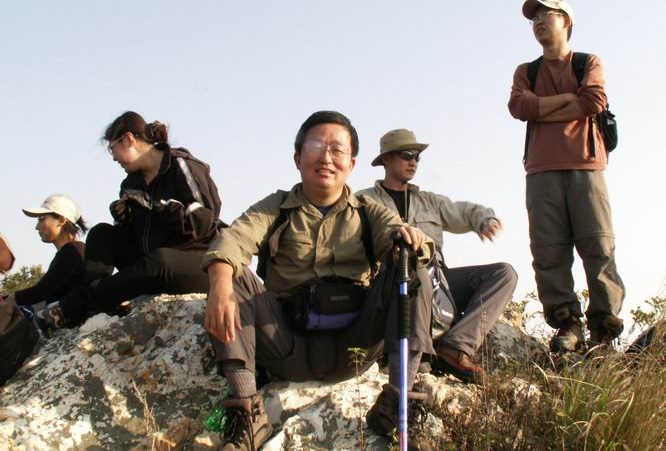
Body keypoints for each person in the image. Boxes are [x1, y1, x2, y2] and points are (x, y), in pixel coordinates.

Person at [203, 111, 435, 450]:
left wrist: (407, 243)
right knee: (230, 275)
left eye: (337, 149)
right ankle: (248, 416)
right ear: (298, 158)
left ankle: (396, 409)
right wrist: (220, 285)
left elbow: (397, 234)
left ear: (351, 164)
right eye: (316, 146)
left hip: (355, 345)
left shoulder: (367, 210)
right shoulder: (276, 208)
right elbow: (232, 240)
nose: (326, 158)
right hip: (285, 344)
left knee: (411, 271)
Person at [508, 0, 625, 352]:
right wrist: (566, 101)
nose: (538, 22)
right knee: (548, 251)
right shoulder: (526, 71)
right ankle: (567, 324)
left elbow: (593, 101)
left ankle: (603, 330)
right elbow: (519, 107)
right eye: (534, 18)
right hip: (540, 170)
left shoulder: (587, 62)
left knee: (598, 244)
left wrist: (541, 109)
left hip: (585, 165)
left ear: (566, 21)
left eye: (547, 15)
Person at [36, 111, 222, 332]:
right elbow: (139, 238)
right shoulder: (131, 183)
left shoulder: (181, 166)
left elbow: (203, 222)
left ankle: (74, 306)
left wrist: (155, 206)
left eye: (112, 148)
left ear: (129, 139)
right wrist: (126, 219)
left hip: (198, 264)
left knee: (160, 259)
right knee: (101, 233)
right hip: (151, 266)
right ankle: (96, 305)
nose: (114, 158)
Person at [357, 129, 517, 384]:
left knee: (504, 274)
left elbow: (463, 211)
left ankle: (454, 347)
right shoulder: (364, 200)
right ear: (386, 159)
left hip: (436, 280)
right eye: (406, 155)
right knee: (414, 273)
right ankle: (412, 355)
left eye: (417, 157)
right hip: (389, 282)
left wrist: (484, 219)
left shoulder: (429, 201)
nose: (413, 162)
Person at [3, 195, 88, 312]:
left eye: (41, 219)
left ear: (61, 220)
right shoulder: (74, 250)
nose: (37, 227)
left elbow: (41, 292)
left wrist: (9, 299)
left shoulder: (71, 252)